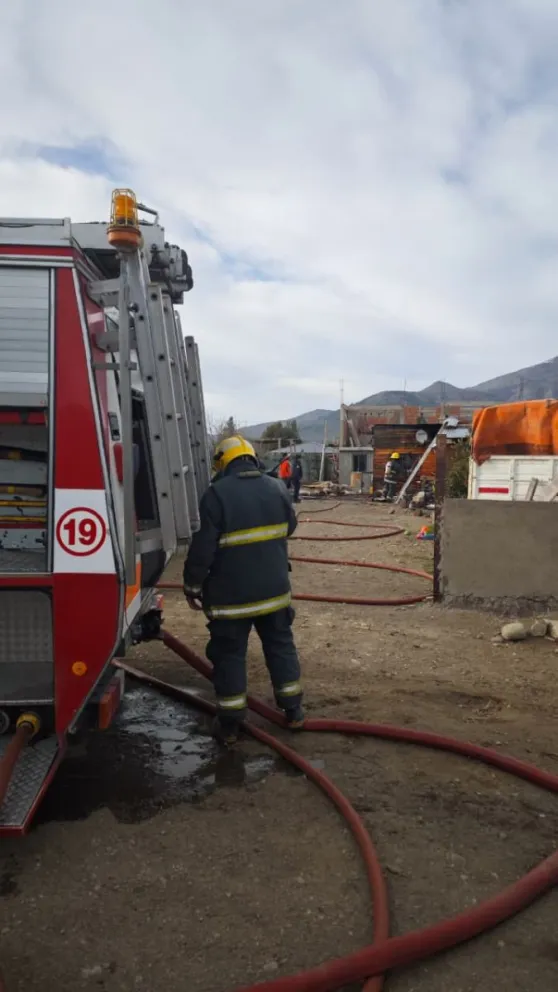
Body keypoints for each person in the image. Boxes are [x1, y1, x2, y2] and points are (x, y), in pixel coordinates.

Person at [182, 435, 304, 746]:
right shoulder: (277, 486)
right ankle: (293, 710)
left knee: (229, 655)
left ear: (223, 462)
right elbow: (289, 527)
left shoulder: (216, 494)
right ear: (251, 457)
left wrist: (193, 584)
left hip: (230, 599)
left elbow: (203, 548)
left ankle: (231, 725)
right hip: (275, 593)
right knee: (280, 647)